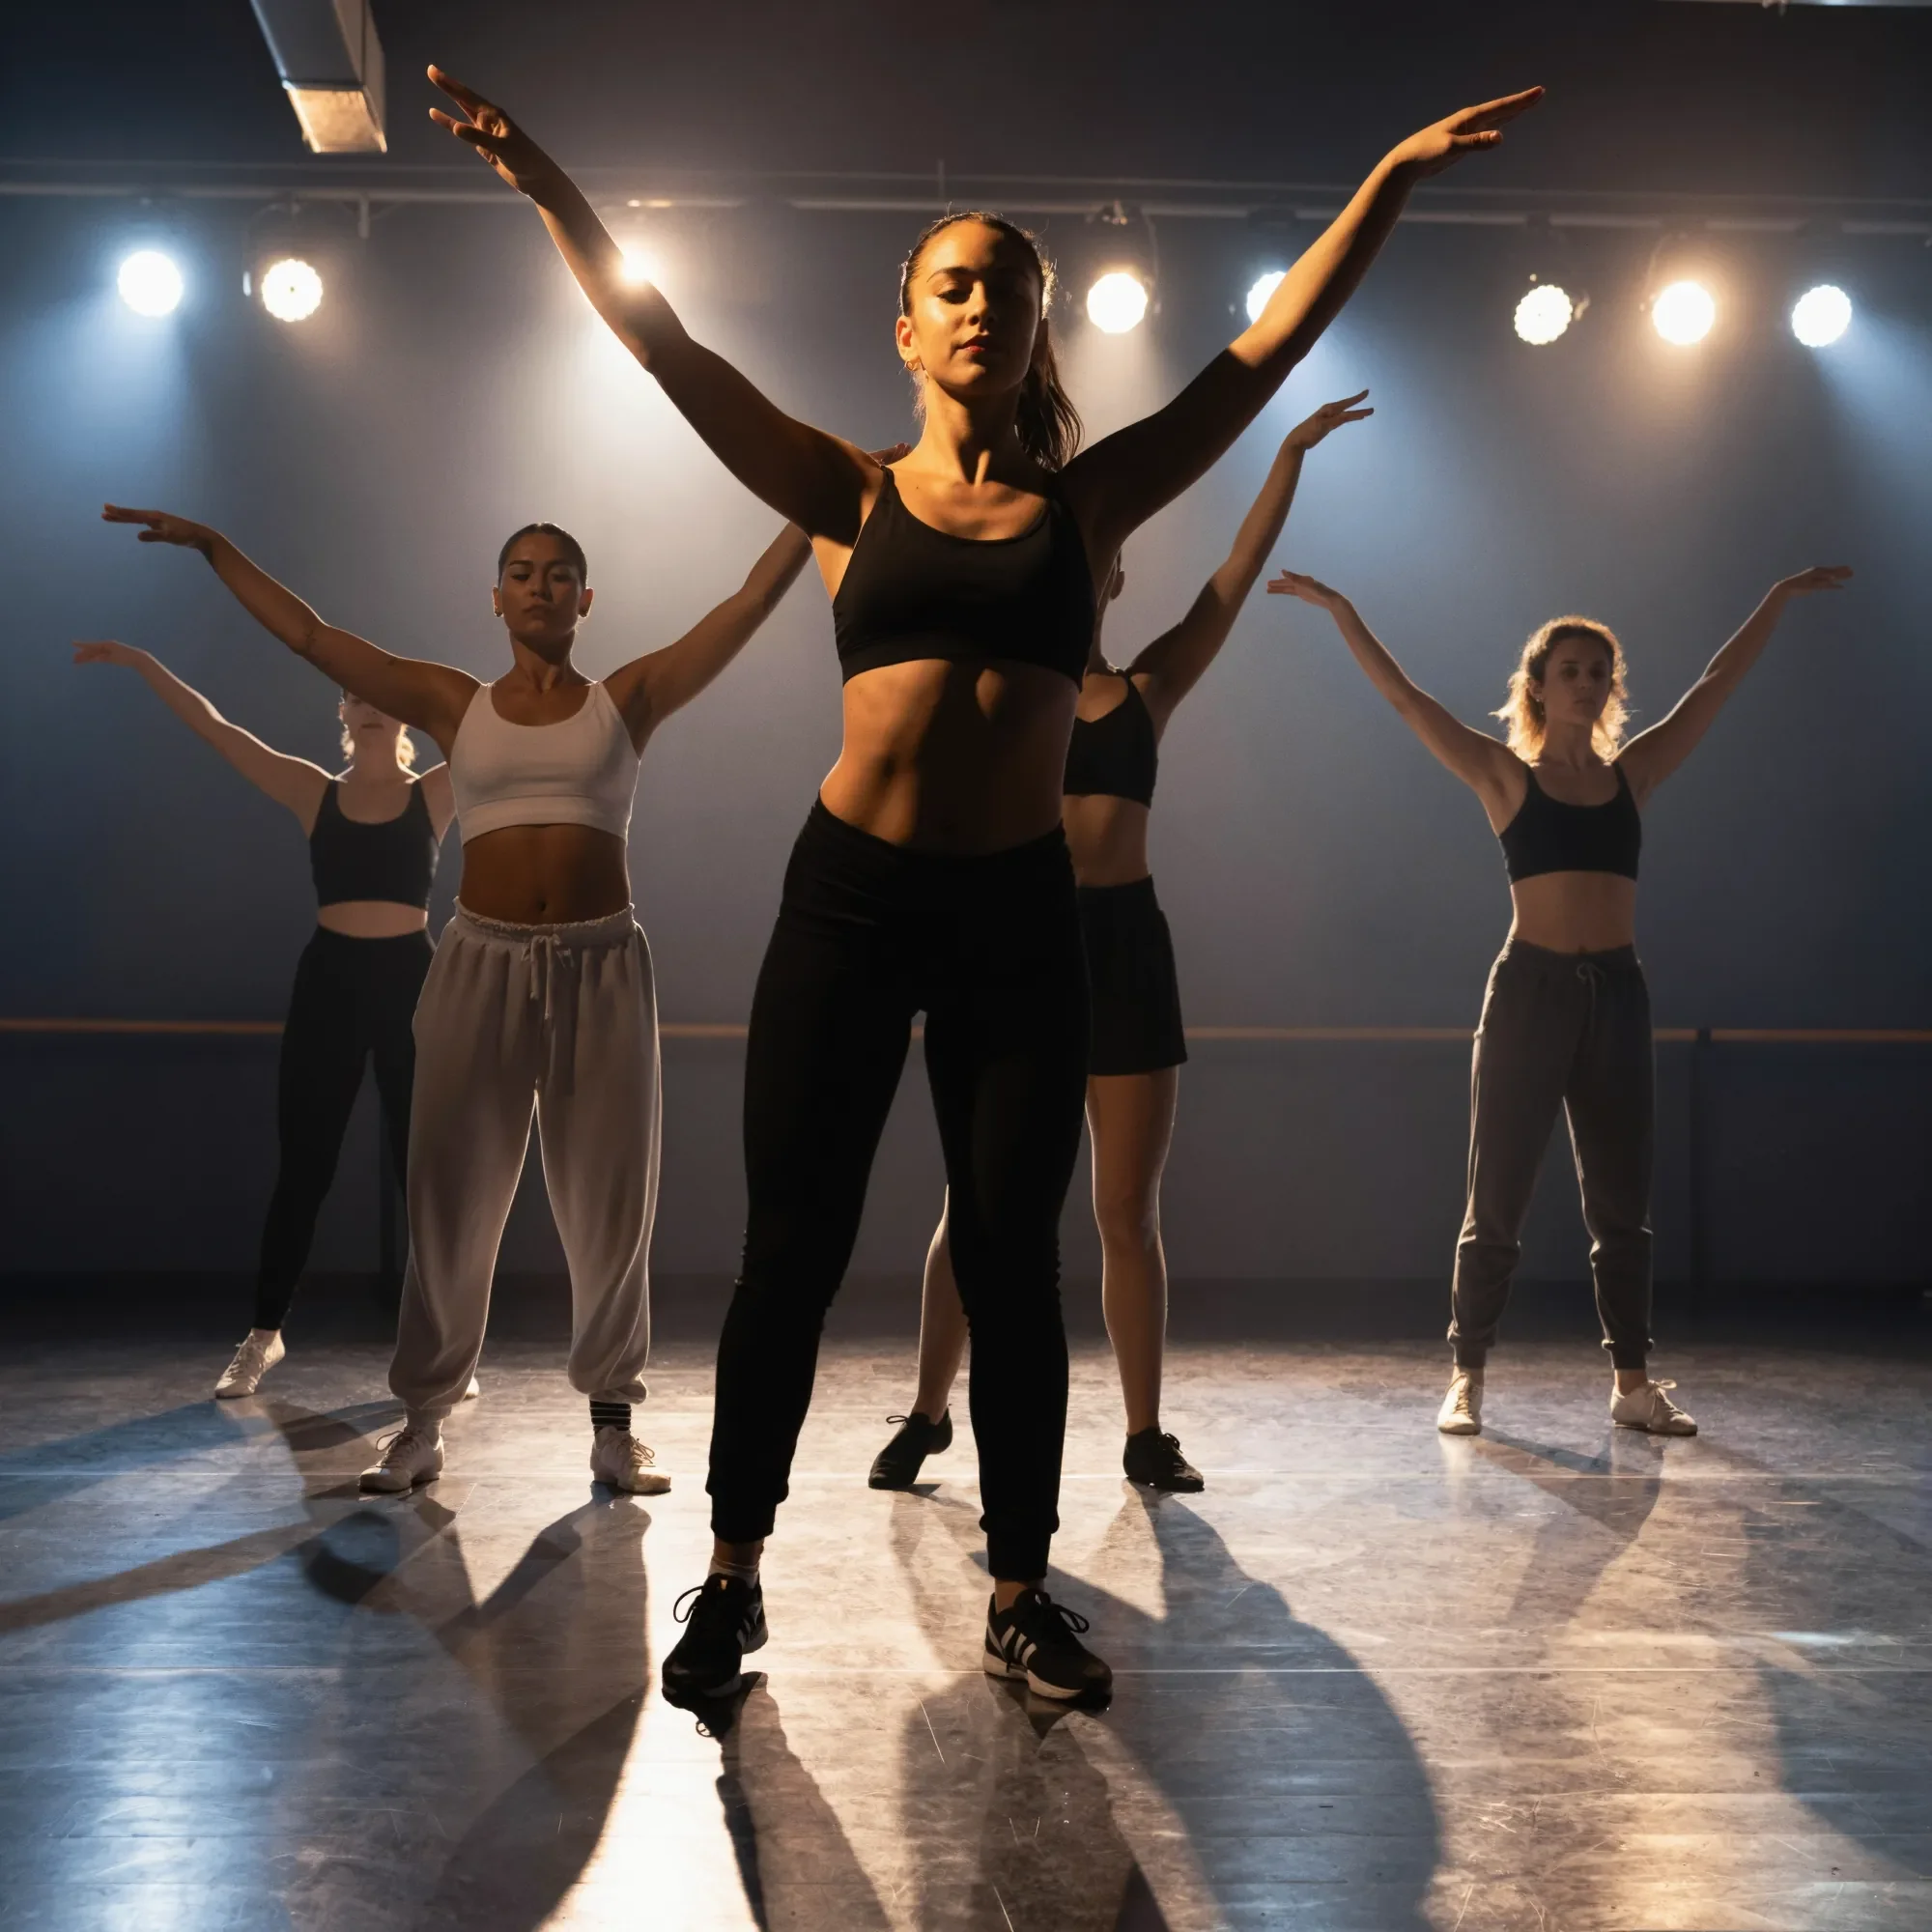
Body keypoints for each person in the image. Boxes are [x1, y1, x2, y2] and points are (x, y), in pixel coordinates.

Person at [426, 60, 1542, 1702]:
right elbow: (666, 346)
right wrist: (541, 182)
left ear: (1037, 332)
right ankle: (732, 1579)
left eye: (1012, 295)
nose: (982, 310)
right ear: (907, 322)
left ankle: (1020, 1589)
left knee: (1018, 1259)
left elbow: (1268, 349)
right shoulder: (846, 489)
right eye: (954, 285)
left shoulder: (1087, 500)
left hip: (1020, 910)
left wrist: (1384, 173)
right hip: (850, 902)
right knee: (791, 1253)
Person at [101, 501, 816, 1494]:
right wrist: (220, 547)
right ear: (495, 597)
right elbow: (313, 636)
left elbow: (741, 606)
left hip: (601, 963)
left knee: (611, 1199)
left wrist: (812, 513)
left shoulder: (627, 698)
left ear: (583, 597)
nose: (538, 584)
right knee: (447, 1195)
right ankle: (422, 1420)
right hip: (479, 965)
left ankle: (614, 1424)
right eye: (520, 571)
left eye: (557, 571)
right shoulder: (450, 702)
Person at [869, 394, 1373, 1500]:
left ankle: (1145, 1431)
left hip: (1125, 950)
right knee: (977, 1204)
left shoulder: (1144, 689)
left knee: (1122, 1211)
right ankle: (924, 1410)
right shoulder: (992, 689)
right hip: (1010, 941)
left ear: (1106, 582)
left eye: (1091, 566)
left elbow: (1231, 579)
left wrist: (1282, 454)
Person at [1269, 561, 1852, 1436]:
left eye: (1597, 670)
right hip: (1529, 992)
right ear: (1538, 688)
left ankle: (1632, 1383)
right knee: (1495, 1196)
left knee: (1623, 1202)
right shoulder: (1508, 778)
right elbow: (1406, 701)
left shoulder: (1635, 776)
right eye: (1568, 670)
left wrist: (1772, 599)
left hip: (1617, 993)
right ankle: (1465, 1377)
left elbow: (1713, 686)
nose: (1585, 681)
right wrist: (1342, 610)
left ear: (1609, 687)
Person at [71, 643, 454, 1399]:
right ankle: (263, 1335)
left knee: (428, 1175)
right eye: (355, 696)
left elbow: (515, 727)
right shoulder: (311, 790)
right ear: (343, 712)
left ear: (404, 713)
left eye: (382, 696)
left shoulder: (439, 791)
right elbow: (218, 729)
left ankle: (444, 1343)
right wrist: (148, 664)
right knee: (304, 1168)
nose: (369, 706)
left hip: (413, 984)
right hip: (331, 983)